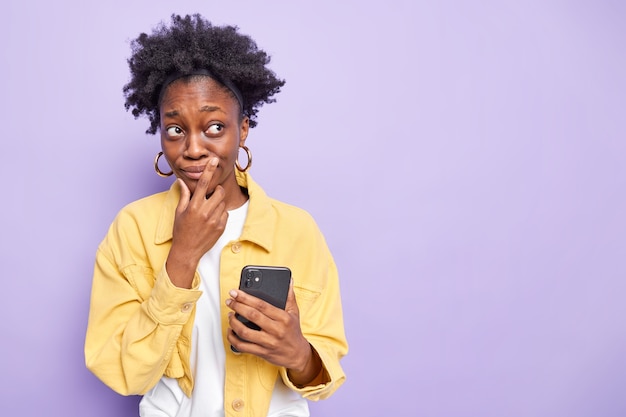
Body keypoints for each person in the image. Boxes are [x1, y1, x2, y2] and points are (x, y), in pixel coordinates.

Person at [84, 14, 347, 417]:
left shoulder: (297, 229)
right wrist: (182, 255)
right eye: (175, 129)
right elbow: (121, 373)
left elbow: (323, 374)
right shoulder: (133, 228)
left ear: (242, 131)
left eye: (214, 127)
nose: (192, 148)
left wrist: (299, 354)